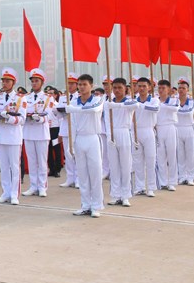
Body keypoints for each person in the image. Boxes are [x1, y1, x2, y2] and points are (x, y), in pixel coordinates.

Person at [67, 74, 105, 218]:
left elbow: (94, 110)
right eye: (80, 84)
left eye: (84, 84)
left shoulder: (97, 99)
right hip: (79, 139)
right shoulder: (74, 101)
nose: (82, 87)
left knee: (95, 173)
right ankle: (85, 204)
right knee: (82, 174)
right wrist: (71, 145)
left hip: (93, 138)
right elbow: (73, 124)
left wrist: (73, 109)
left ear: (91, 86)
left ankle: (96, 205)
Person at [0, 68, 27, 205]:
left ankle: (14, 194)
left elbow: (22, 119)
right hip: (1, 135)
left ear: (13, 83)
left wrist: (8, 118)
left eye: (7, 81)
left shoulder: (20, 99)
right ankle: (5, 192)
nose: (4, 83)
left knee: (14, 166)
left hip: (13, 135)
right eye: (3, 81)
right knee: (4, 166)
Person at [103, 77, 135, 207]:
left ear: (125, 89)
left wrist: (116, 105)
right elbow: (106, 120)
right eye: (114, 88)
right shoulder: (107, 102)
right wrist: (109, 136)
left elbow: (136, 106)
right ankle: (115, 194)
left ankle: (125, 195)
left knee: (126, 165)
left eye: (119, 88)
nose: (117, 90)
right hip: (111, 133)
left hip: (124, 132)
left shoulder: (130, 101)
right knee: (114, 166)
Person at [23, 69, 53, 198]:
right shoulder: (25, 97)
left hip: (41, 132)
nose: (34, 83)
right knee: (32, 160)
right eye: (33, 81)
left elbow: (50, 114)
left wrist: (40, 118)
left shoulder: (47, 98)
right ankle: (33, 185)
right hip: (29, 131)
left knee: (42, 161)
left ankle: (42, 186)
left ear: (42, 83)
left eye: (37, 81)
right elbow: (22, 112)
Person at [132, 77, 159, 197]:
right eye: (139, 86)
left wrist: (140, 105)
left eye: (144, 86)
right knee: (138, 161)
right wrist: (135, 104)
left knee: (150, 159)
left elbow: (155, 109)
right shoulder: (133, 100)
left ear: (149, 87)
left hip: (148, 131)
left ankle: (151, 187)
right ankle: (139, 186)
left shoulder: (154, 100)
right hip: (136, 132)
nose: (142, 88)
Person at [57, 73, 79, 188]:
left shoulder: (79, 97)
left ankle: (79, 178)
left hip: (76, 128)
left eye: (72, 84)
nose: (69, 86)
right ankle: (70, 177)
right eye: (68, 84)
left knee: (76, 153)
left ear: (77, 85)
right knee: (68, 153)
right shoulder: (62, 97)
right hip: (65, 127)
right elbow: (59, 115)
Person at [173, 78, 194, 186]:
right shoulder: (175, 100)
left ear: (187, 90)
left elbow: (187, 112)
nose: (181, 90)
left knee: (190, 154)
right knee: (180, 154)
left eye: (183, 88)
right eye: (179, 88)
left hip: (188, 128)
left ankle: (190, 177)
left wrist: (175, 108)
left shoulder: (192, 102)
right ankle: (182, 176)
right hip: (178, 128)